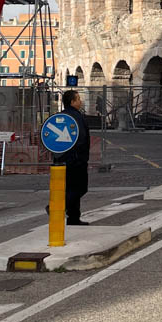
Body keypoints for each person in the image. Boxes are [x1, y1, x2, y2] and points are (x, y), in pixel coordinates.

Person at [52, 90, 92, 226]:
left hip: (61, 158)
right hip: (76, 160)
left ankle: (73, 218)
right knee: (80, 188)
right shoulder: (76, 117)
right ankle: (55, 207)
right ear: (72, 102)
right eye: (78, 99)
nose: (80, 101)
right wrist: (82, 157)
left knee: (70, 188)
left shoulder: (61, 115)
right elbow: (80, 139)